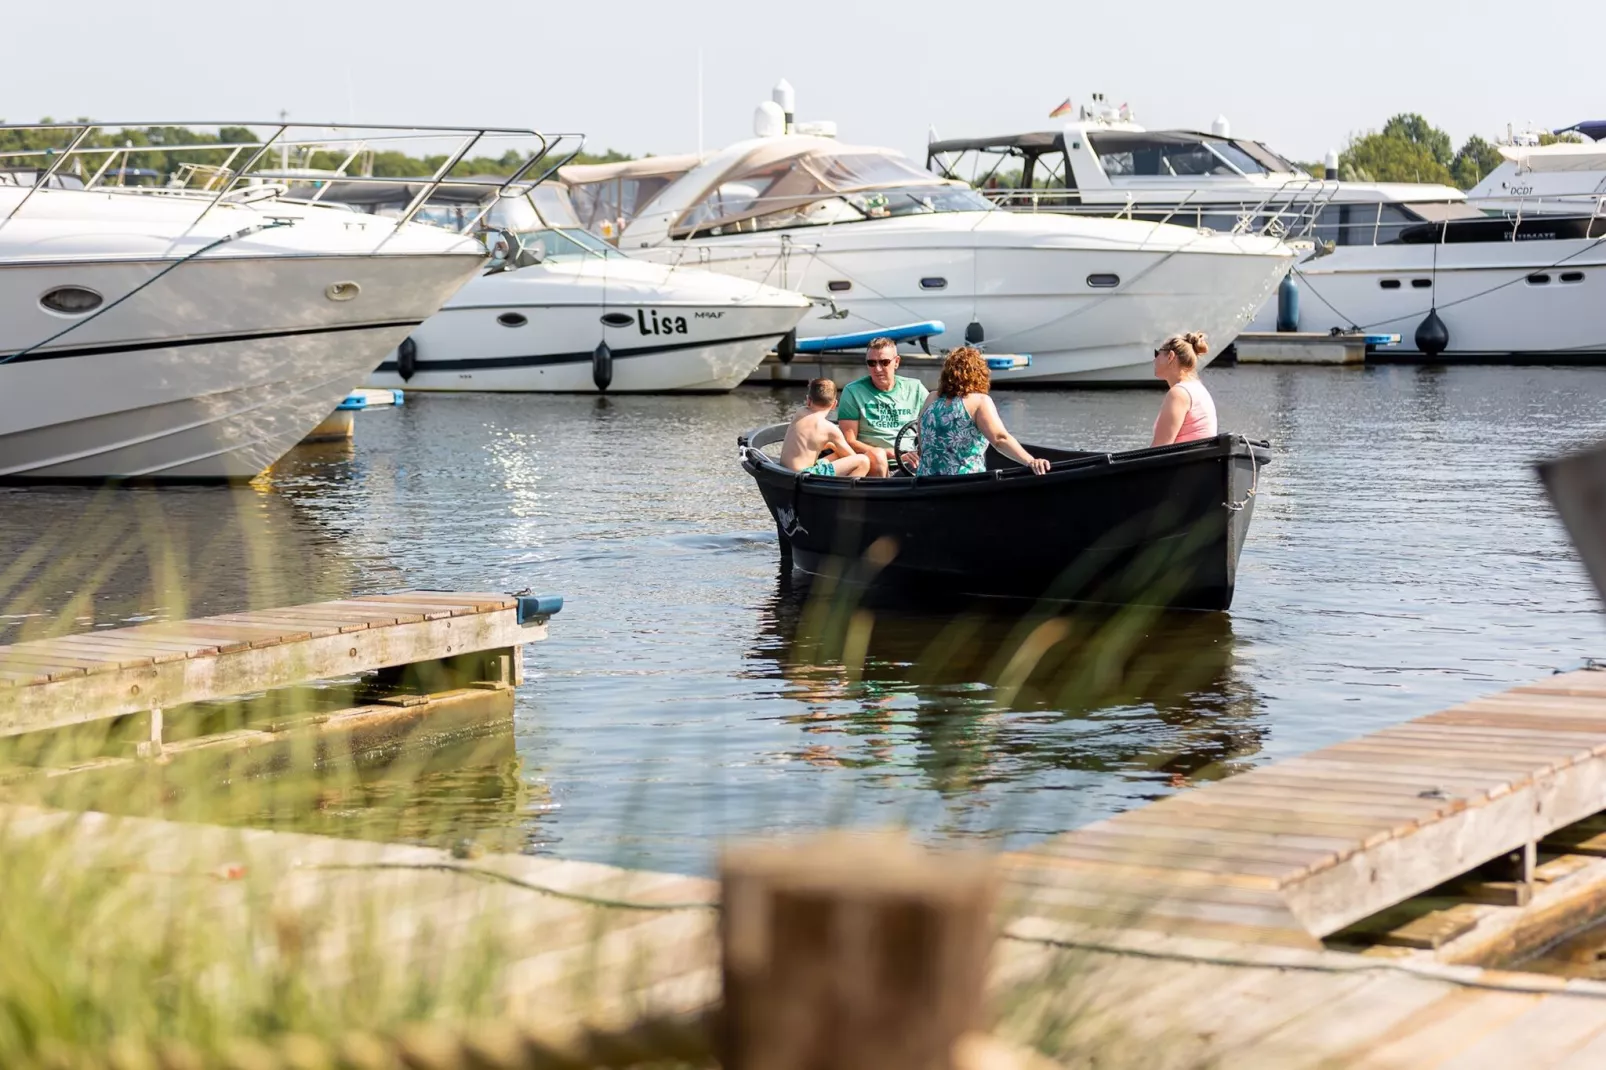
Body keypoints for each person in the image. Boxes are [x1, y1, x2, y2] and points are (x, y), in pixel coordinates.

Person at [915, 346, 1050, 476]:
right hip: (962, 484)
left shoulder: (931, 399)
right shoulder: (979, 401)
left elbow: (921, 447)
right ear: (980, 374)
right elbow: (999, 439)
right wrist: (1030, 461)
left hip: (926, 483)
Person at [835, 337, 929, 478]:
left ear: (896, 362)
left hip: (911, 462)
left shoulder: (916, 388)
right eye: (871, 363)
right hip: (873, 464)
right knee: (878, 456)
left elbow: (937, 426)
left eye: (884, 362)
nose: (877, 369)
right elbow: (849, 441)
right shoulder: (852, 391)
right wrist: (890, 453)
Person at [779, 378, 872, 478]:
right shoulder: (830, 429)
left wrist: (832, 446)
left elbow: (808, 441)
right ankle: (843, 492)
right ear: (834, 404)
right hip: (805, 476)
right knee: (863, 461)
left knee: (837, 455)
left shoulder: (800, 412)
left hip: (785, 471)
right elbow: (851, 456)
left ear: (808, 400)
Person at [1150, 331, 1218, 447]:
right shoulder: (1197, 389)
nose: (1154, 360)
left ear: (1170, 356)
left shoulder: (1179, 393)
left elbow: (1159, 449)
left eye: (1157, 354)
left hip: (1183, 464)